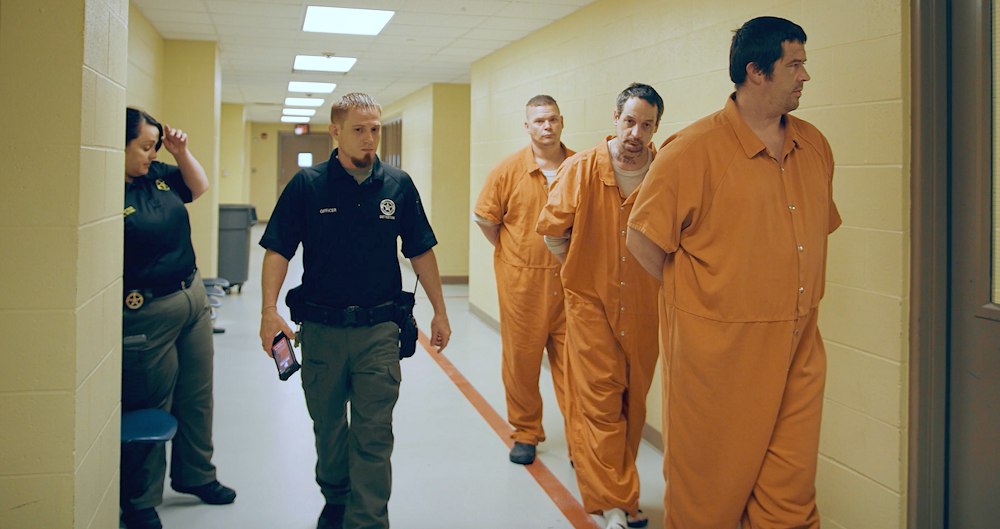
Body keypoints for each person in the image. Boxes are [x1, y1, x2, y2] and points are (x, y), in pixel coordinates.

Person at [627, 17, 839, 529]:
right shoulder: (692, 150)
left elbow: (811, 234)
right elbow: (642, 240)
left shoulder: (814, 146)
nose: (805, 75)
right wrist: (706, 297)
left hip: (798, 345)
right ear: (755, 72)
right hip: (717, 358)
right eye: (794, 64)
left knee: (790, 494)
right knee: (707, 499)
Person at [258, 92, 452, 529]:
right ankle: (337, 495)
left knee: (373, 433)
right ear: (336, 132)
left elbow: (421, 250)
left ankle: (367, 519)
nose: (369, 140)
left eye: (375, 130)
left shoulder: (397, 185)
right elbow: (277, 250)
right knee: (328, 429)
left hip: (379, 329)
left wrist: (440, 310)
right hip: (322, 330)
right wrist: (269, 310)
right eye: (359, 130)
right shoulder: (308, 186)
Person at [535, 83, 663, 529]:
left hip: (647, 306)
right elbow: (553, 232)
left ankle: (620, 493)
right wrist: (583, 271)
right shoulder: (582, 168)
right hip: (590, 305)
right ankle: (614, 505)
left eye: (646, 125)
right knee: (599, 404)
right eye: (630, 121)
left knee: (634, 403)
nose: (636, 133)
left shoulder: (664, 171)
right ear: (616, 118)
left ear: (656, 128)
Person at [121, 108, 236, 529]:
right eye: (144, 147)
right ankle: (140, 499)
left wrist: (180, 152)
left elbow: (199, 186)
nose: (151, 155)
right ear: (120, 145)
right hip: (146, 311)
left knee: (196, 395)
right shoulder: (108, 190)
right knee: (151, 403)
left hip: (190, 295)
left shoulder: (159, 173)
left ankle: (196, 475)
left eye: (155, 146)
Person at [473, 95, 575, 465]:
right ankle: (526, 432)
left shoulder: (580, 167)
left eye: (552, 120)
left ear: (561, 122)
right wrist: (514, 251)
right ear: (527, 126)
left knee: (575, 366)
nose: (546, 127)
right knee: (521, 363)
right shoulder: (508, 170)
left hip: (570, 286)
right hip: (522, 288)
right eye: (539, 121)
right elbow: (487, 220)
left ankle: (579, 438)